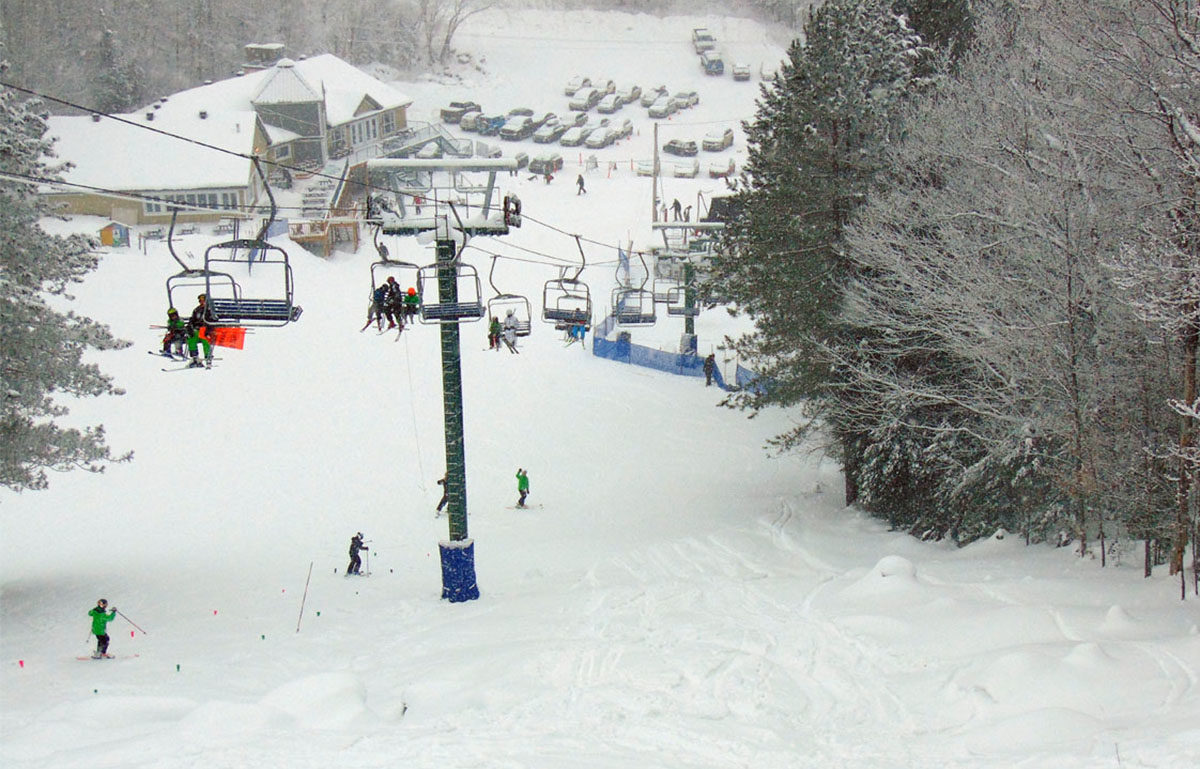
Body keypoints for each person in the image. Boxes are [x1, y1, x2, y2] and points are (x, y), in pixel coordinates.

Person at [186, 293, 218, 368]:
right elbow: (192, 320)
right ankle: (195, 357)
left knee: (205, 339)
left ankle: (208, 356)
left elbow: (213, 320)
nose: (202, 302)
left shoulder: (210, 310)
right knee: (191, 338)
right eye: (200, 301)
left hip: (206, 329)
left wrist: (209, 328)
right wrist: (190, 327)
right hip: (197, 330)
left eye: (203, 300)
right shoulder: (197, 310)